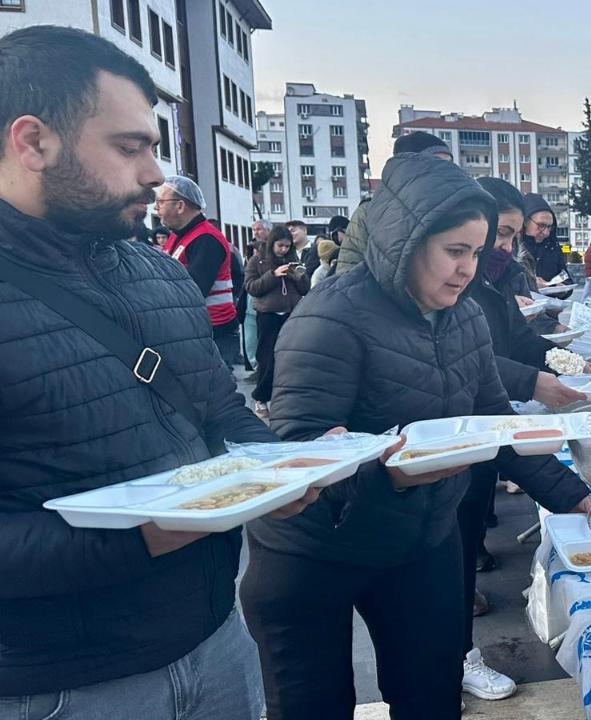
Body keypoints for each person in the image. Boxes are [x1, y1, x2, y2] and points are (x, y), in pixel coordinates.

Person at [0, 25, 315, 720]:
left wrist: (290, 465)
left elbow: (219, 413)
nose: (155, 175)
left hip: (217, 644)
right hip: (59, 689)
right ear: (32, 143)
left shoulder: (159, 274)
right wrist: (143, 534)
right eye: (129, 147)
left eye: (154, 147)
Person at [240, 153, 591, 720]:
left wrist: (582, 499)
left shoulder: (464, 317)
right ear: (405, 241)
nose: (467, 270)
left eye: (476, 253)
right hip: (312, 552)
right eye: (455, 251)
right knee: (313, 705)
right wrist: (389, 470)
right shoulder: (330, 317)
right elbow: (298, 450)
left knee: (430, 698)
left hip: (419, 538)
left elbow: (495, 423)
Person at [458, 176, 589, 700]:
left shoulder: (488, 289)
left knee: (463, 551)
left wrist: (567, 364)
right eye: (503, 235)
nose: (509, 248)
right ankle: (457, 656)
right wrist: (533, 381)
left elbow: (519, 344)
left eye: (514, 236)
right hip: (442, 459)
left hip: (479, 448)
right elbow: (476, 376)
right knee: (443, 570)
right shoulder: (452, 294)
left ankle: (457, 652)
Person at [335, 131, 453, 276]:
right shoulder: (370, 213)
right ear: (409, 168)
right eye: (437, 164)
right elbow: (347, 273)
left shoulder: (454, 211)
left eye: (450, 166)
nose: (447, 172)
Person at [155, 175, 241, 369]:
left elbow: (193, 289)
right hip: (195, 327)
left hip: (213, 330)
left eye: (160, 201)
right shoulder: (179, 236)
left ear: (180, 206)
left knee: (212, 393)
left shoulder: (206, 239)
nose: (156, 208)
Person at [244, 225, 309, 419]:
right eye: (280, 246)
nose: (283, 250)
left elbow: (305, 289)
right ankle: (261, 398)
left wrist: (299, 277)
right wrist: (273, 275)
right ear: (272, 243)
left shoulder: (293, 260)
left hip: (290, 313)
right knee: (267, 358)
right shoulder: (257, 261)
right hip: (268, 314)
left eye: (287, 246)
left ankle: (288, 400)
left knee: (291, 358)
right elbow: (251, 287)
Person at [519, 193, 568, 288]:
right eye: (541, 225)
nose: (546, 233)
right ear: (525, 221)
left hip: (551, 300)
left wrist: (563, 289)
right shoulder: (511, 247)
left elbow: (566, 278)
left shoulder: (553, 247)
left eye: (550, 227)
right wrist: (531, 284)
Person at [242, 219, 273, 373]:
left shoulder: (276, 251)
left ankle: (265, 369)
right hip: (250, 303)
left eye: (259, 229)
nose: (256, 232)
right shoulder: (251, 249)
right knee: (250, 341)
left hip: (268, 304)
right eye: (254, 229)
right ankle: (257, 368)